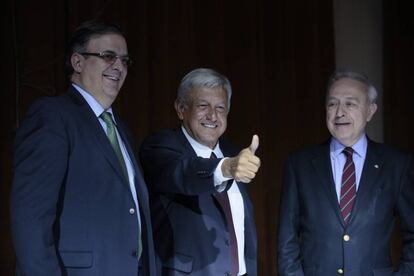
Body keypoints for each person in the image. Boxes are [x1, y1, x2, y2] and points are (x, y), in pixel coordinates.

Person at [10, 21, 156, 275]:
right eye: (108, 56)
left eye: (124, 60)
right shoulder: (53, 116)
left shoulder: (121, 127)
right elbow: (30, 218)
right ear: (77, 63)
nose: (118, 66)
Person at [277, 69, 414, 275]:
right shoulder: (300, 164)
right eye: (333, 104)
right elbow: (286, 241)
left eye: (350, 104)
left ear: (370, 110)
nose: (340, 112)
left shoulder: (396, 164)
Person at [139, 68, 260, 276]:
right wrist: (226, 168)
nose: (212, 115)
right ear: (181, 108)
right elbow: (184, 173)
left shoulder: (234, 153)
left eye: (220, 108)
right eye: (203, 106)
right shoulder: (161, 147)